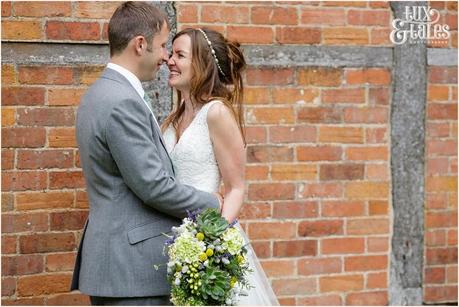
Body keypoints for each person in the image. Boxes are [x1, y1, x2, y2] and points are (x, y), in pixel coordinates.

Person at [70, 3, 222, 306]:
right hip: (131, 271)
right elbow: (153, 186)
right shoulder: (122, 101)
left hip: (119, 266)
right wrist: (213, 203)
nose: (166, 57)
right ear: (140, 44)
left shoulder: (99, 94)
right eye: (164, 45)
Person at [162, 27, 279, 306]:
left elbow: (236, 187)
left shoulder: (216, 113)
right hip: (173, 241)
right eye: (171, 53)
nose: (170, 60)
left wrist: (212, 244)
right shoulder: (172, 118)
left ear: (202, 64)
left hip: (206, 240)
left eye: (180, 55)